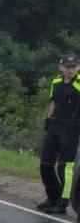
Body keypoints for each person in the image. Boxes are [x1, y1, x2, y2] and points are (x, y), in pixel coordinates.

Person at [38, 53, 80, 214]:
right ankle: (52, 197)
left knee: (65, 168)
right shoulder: (56, 81)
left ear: (78, 67)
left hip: (72, 129)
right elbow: (53, 101)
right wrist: (48, 119)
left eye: (74, 67)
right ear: (61, 67)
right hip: (55, 126)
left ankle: (62, 203)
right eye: (67, 67)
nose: (70, 70)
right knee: (45, 165)